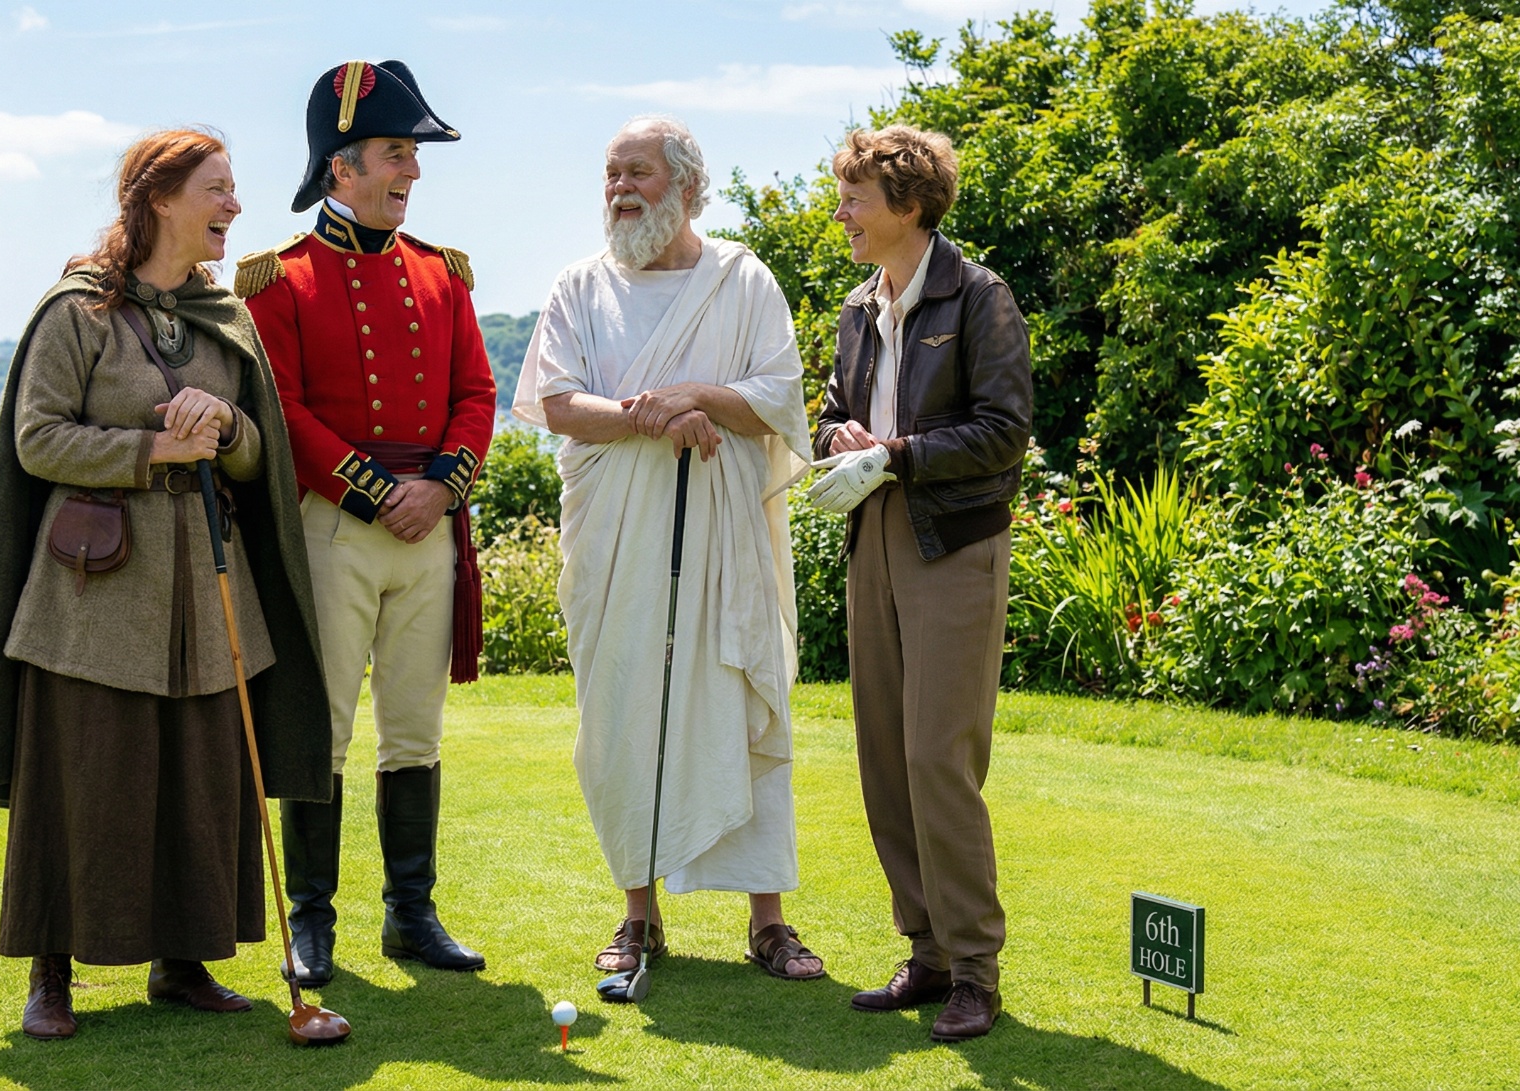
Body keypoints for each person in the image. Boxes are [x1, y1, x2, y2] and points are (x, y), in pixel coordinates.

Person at [0, 128, 332, 1040]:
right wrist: (154, 446)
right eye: (219, 189)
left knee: (197, 777)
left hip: (204, 589)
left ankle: (184, 962)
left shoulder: (224, 319)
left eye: (235, 189)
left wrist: (227, 425)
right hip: (92, 595)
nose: (236, 206)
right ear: (160, 199)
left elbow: (255, 452)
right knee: (83, 779)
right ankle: (51, 974)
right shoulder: (76, 312)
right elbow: (38, 439)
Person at [515, 115, 823, 982]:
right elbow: (560, 404)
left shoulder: (742, 277)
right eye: (611, 174)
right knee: (620, 711)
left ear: (687, 184)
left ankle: (768, 921)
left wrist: (690, 394)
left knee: (741, 693)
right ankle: (637, 915)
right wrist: (660, 415)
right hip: (616, 542)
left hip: (722, 535)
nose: (620, 189)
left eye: (638, 172)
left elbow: (778, 398)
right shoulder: (580, 285)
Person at [237, 60, 495, 988]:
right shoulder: (279, 280)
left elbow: (477, 392)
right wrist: (372, 488)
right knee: (328, 728)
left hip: (428, 527)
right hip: (336, 527)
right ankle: (311, 921)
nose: (412, 172)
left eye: (412, 157)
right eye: (396, 154)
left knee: (416, 731)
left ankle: (410, 913)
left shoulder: (441, 272)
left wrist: (440, 488)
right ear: (340, 166)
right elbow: (283, 407)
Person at [805, 124, 1033, 1042]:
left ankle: (976, 967)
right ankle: (928, 950)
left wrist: (896, 453)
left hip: (953, 542)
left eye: (854, 197)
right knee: (885, 751)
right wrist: (840, 441)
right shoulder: (860, 308)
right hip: (875, 533)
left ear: (907, 205)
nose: (841, 214)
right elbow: (830, 411)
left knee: (939, 753)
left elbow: (1002, 431)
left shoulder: (980, 297)